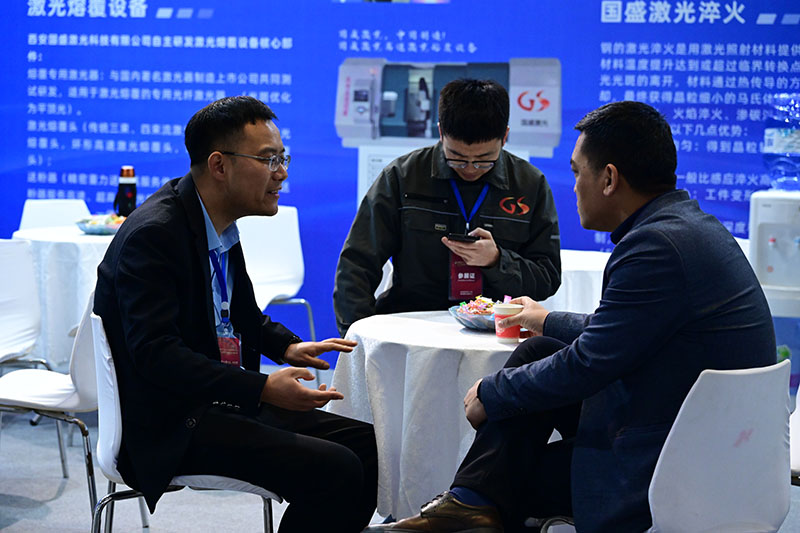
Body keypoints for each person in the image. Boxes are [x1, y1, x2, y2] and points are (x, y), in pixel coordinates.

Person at [364, 101, 776, 533]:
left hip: (669, 461)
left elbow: (588, 363)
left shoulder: (656, 248)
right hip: (706, 438)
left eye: (579, 172)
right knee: (540, 349)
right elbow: (618, 333)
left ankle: (473, 505)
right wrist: (545, 320)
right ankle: (471, 504)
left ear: (609, 179)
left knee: (509, 478)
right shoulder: (685, 227)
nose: (575, 186)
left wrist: (492, 390)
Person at [94, 96, 377, 533]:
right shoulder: (155, 235)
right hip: (172, 422)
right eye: (268, 160)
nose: (281, 173)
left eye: (282, 158)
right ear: (219, 165)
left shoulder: (218, 222)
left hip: (219, 402)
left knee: (365, 445)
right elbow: (157, 355)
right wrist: (262, 388)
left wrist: (287, 347)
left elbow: (240, 314)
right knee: (335, 467)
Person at [333, 79, 561, 336]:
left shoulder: (529, 185)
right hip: (411, 325)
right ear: (441, 132)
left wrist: (497, 261)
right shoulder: (403, 177)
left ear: (505, 137)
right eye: (457, 158)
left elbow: (547, 278)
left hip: (495, 333)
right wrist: (356, 336)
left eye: (484, 160)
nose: (470, 169)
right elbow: (357, 264)